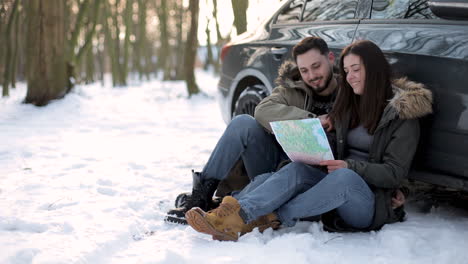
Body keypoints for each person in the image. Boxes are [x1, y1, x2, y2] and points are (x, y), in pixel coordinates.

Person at [185, 40, 433, 241]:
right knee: (296, 169)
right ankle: (233, 214)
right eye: (347, 72)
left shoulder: (403, 115)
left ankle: (264, 214)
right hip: (330, 180)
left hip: (367, 196)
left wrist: (363, 172)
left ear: (375, 69)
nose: (350, 77)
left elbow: (395, 171)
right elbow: (265, 113)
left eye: (356, 70)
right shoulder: (349, 104)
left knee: (343, 177)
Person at [165, 36, 339, 224]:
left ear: (330, 58)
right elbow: (262, 111)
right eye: (304, 70)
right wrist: (311, 120)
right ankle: (200, 197)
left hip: (312, 176)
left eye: (316, 66)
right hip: (276, 164)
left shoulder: (347, 92)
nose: (311, 76)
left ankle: (223, 207)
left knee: (286, 176)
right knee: (242, 123)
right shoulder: (293, 88)